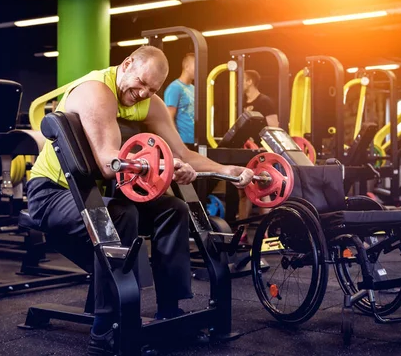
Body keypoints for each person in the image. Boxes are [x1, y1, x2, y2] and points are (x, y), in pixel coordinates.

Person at [26, 46, 254, 355]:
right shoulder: (97, 91)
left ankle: (170, 310)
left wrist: (225, 170)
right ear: (127, 63)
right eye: (141, 83)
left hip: (94, 195)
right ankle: (105, 330)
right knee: (121, 215)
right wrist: (167, 167)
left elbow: (183, 154)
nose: (142, 92)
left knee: (173, 209)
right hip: (52, 194)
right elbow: (110, 163)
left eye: (152, 89)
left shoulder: (149, 104)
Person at [238, 70, 278, 243]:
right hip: (245, 151)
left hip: (260, 154)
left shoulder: (265, 101)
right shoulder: (240, 103)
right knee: (243, 191)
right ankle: (242, 233)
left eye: (242, 80)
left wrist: (263, 147)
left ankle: (267, 233)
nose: (239, 84)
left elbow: (274, 127)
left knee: (262, 191)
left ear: (250, 81)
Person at [164, 53, 195, 144]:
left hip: (195, 141)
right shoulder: (174, 88)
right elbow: (169, 118)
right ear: (187, 66)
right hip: (183, 142)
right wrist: (177, 143)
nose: (198, 69)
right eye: (196, 65)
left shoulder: (194, 89)